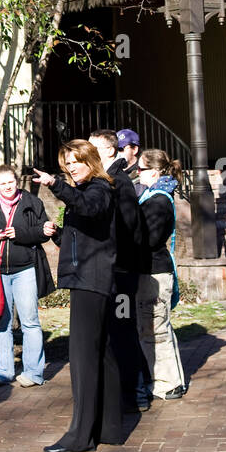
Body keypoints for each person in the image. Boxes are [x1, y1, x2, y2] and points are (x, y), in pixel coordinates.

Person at [33, 139, 143, 452]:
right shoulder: (88, 190)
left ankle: (80, 436)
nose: (71, 168)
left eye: (75, 162)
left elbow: (90, 208)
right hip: (90, 278)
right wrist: (59, 235)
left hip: (91, 282)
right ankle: (109, 428)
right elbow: (88, 234)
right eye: (67, 164)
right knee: (102, 353)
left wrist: (55, 184)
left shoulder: (100, 188)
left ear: (90, 160)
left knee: (81, 358)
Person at [0, 164, 57, 387]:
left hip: (25, 269)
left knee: (30, 322)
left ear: (17, 182)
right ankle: (3, 371)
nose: (8, 186)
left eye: (11, 182)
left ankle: (34, 373)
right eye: (3, 183)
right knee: (2, 323)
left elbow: (42, 232)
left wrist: (21, 233)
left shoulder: (32, 202)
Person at [89, 128, 151, 412]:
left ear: (110, 151)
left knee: (123, 331)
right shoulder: (108, 180)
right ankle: (136, 389)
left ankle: (137, 394)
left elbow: (128, 230)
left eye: (93, 149)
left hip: (122, 273)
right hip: (116, 270)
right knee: (118, 331)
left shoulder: (119, 183)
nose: (87, 155)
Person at [136, 149, 187, 401]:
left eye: (140, 169)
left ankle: (169, 384)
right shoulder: (152, 196)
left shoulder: (157, 201)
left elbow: (150, 238)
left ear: (154, 172)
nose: (137, 173)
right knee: (150, 327)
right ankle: (162, 380)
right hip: (149, 271)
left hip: (154, 273)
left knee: (156, 328)